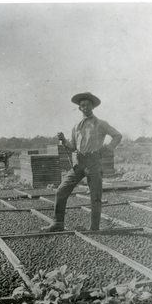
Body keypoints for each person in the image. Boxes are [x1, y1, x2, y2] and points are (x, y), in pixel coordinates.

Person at [42, 92, 122, 232]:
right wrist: (63, 140)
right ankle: (58, 223)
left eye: (88, 105)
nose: (85, 108)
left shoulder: (101, 124)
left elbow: (117, 135)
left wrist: (109, 148)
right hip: (79, 164)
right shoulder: (76, 127)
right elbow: (73, 147)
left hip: (93, 163)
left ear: (92, 107)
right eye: (83, 105)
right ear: (79, 108)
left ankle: (94, 228)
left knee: (95, 197)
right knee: (61, 191)